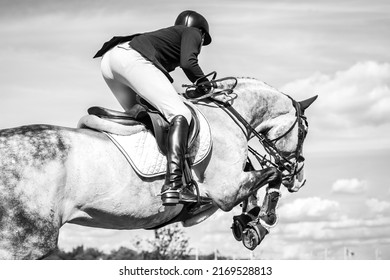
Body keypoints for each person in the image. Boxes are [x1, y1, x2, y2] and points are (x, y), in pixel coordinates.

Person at [93, 10, 212, 206]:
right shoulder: (192, 33)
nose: (200, 43)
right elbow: (189, 63)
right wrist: (206, 85)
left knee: (144, 117)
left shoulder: (168, 36)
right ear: (201, 32)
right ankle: (174, 185)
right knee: (180, 114)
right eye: (202, 40)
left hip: (110, 62)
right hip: (131, 59)